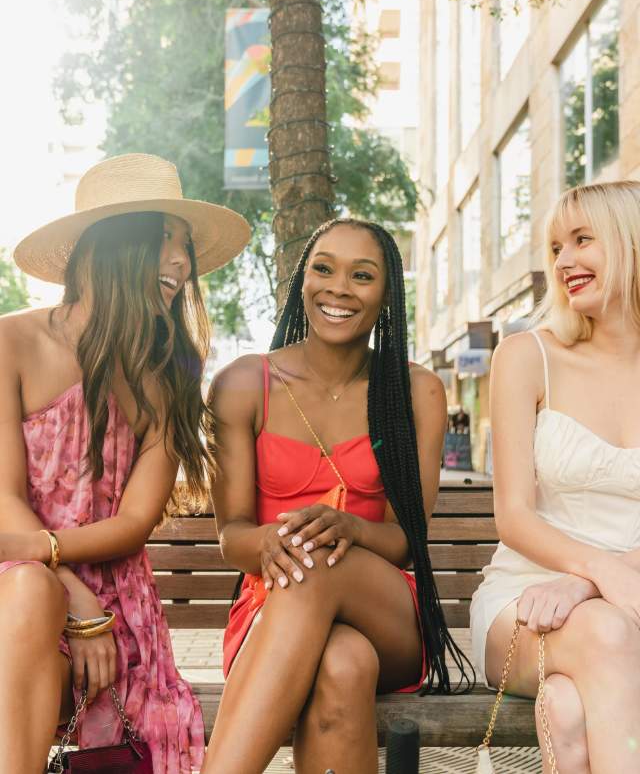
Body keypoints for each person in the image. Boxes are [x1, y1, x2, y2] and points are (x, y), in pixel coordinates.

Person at [0, 153, 250, 774]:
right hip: (18, 585)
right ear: (112, 246)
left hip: (113, 604)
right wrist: (73, 596)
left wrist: (88, 604)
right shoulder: (10, 344)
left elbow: (135, 521)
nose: (182, 263)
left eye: (185, 247)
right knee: (29, 591)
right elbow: (3, 498)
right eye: (164, 239)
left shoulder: (167, 375)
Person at [203, 217, 472, 774]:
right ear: (303, 279)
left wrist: (348, 528)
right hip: (268, 610)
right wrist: (269, 540)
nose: (339, 288)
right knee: (343, 664)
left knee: (316, 559)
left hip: (388, 612)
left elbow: (405, 542)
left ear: (386, 292)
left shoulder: (415, 390)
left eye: (362, 275)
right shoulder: (242, 384)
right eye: (323, 269)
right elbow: (231, 536)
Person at [470, 180, 640, 773]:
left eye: (582, 240)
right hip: (526, 601)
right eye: (556, 248)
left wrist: (590, 585)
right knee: (609, 634)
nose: (564, 261)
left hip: (624, 590)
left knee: (568, 707)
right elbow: (513, 516)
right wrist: (595, 575)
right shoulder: (527, 355)